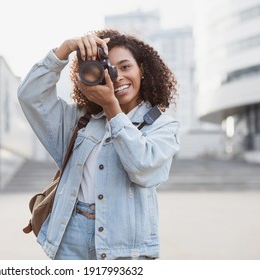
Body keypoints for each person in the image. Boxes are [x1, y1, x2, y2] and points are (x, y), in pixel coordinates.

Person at [17, 28, 180, 260]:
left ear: (142, 69)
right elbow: (30, 96)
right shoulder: (81, 120)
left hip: (125, 247)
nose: (118, 76)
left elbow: (143, 168)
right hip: (70, 238)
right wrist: (64, 50)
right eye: (108, 70)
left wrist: (112, 108)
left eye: (125, 67)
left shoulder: (163, 126)